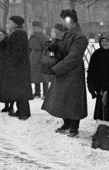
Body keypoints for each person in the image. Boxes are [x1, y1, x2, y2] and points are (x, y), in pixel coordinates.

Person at [42, 9, 88, 137]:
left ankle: (74, 127)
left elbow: (73, 58)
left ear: (70, 20)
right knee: (62, 98)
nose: (62, 21)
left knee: (73, 99)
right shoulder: (66, 33)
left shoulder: (80, 36)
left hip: (72, 71)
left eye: (63, 19)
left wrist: (56, 69)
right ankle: (66, 123)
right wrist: (52, 46)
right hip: (62, 70)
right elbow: (58, 48)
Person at [3, 16, 33, 120]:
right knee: (19, 89)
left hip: (18, 67)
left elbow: (17, 51)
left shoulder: (18, 33)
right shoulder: (19, 32)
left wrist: (11, 64)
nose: (8, 24)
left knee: (20, 90)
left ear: (15, 23)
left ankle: (23, 113)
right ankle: (21, 111)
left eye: (10, 22)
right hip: (20, 66)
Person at [0, 29, 15, 114]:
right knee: (3, 88)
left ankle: (11, 106)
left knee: (9, 87)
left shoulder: (7, 44)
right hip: (1, 69)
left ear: (5, 35)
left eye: (1, 35)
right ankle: (6, 105)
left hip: (7, 69)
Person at [29, 21, 50, 99]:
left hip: (42, 56)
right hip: (34, 57)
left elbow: (48, 48)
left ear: (40, 28)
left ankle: (46, 93)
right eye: (34, 27)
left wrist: (45, 58)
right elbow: (29, 47)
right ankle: (37, 92)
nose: (34, 28)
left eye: (36, 27)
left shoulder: (44, 37)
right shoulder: (32, 36)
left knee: (44, 76)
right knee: (35, 75)